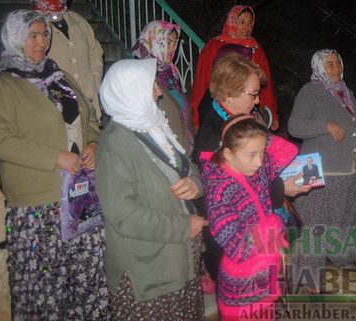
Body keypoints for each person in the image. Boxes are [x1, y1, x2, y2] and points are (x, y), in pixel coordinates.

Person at [0, 10, 108, 320]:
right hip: (39, 205)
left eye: (44, 35)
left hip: (79, 199)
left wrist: (92, 143)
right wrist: (55, 156)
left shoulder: (60, 78)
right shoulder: (3, 87)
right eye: (33, 36)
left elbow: (88, 117)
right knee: (46, 288)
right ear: (15, 39)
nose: (42, 42)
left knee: (85, 281)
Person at [95, 59, 206, 320]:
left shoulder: (153, 125)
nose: (159, 92)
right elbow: (124, 215)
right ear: (130, 91)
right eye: (152, 85)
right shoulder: (116, 143)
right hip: (149, 270)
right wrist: (182, 227)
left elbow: (187, 165)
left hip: (177, 261)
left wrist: (194, 184)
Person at [192, 53, 310, 282]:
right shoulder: (213, 139)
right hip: (235, 250)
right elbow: (232, 193)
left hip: (259, 237)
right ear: (228, 93)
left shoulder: (238, 118)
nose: (257, 101)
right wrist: (281, 187)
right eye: (253, 94)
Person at [200, 115, 298, 321]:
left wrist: (255, 130)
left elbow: (289, 150)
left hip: (265, 274)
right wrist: (273, 224)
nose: (260, 161)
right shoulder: (220, 191)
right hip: (242, 289)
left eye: (262, 153)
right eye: (252, 154)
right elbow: (238, 248)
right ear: (228, 153)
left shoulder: (255, 171)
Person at [288, 49, 356, 293]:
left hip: (352, 168)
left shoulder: (347, 91)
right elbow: (294, 126)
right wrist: (324, 125)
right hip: (320, 168)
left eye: (338, 63)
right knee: (317, 223)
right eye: (329, 64)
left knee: (348, 218)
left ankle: (343, 259)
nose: (335, 68)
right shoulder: (310, 91)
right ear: (319, 68)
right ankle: (306, 276)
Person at [30, 0, 104, 120]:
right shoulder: (31, 24)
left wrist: (93, 81)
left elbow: (95, 52)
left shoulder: (77, 20)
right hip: (54, 106)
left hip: (88, 100)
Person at [189, 5, 279, 131]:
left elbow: (266, 86)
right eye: (242, 22)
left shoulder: (256, 49)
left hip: (248, 109)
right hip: (216, 107)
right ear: (232, 22)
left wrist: (272, 114)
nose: (246, 28)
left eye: (249, 23)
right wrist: (195, 117)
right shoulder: (214, 46)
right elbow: (201, 82)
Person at [132, 20, 194, 154]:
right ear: (153, 41)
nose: (172, 49)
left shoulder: (172, 71)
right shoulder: (142, 75)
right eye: (167, 43)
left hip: (181, 141)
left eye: (174, 43)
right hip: (160, 148)